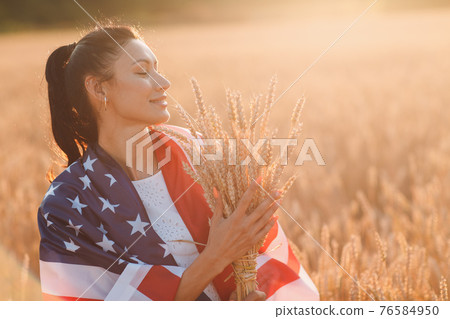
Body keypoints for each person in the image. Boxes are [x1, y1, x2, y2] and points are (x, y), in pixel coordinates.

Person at [38, 23, 320, 301]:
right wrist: (215, 257)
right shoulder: (67, 205)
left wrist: (249, 293)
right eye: (142, 71)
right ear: (98, 88)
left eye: (157, 69)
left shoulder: (203, 156)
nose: (163, 83)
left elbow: (264, 252)